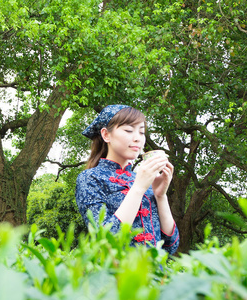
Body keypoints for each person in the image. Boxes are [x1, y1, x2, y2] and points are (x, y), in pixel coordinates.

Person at [75, 104, 180, 252]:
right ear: (106, 135)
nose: (137, 139)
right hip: (118, 274)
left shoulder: (145, 181)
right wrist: (138, 189)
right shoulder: (89, 179)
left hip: (156, 273)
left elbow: (171, 245)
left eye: (142, 132)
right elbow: (105, 241)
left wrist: (160, 195)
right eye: (129, 130)